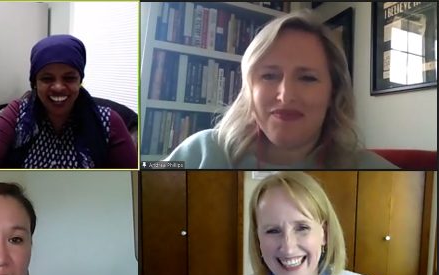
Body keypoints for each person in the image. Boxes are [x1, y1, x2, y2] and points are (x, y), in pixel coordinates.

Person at [164, 10, 397, 169]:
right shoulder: (199, 152)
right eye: (269, 76)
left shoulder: (373, 169)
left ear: (333, 93)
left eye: (307, 78)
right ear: (249, 89)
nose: (285, 95)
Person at [204, 171, 396, 275]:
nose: (288, 247)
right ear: (258, 240)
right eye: (272, 231)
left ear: (325, 234)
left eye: (302, 227)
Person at [0, 34, 137, 168]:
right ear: (34, 83)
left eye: (69, 78)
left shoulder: (109, 122)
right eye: (47, 78)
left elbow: (132, 178)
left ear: (80, 80)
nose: (58, 87)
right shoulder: (16, 114)